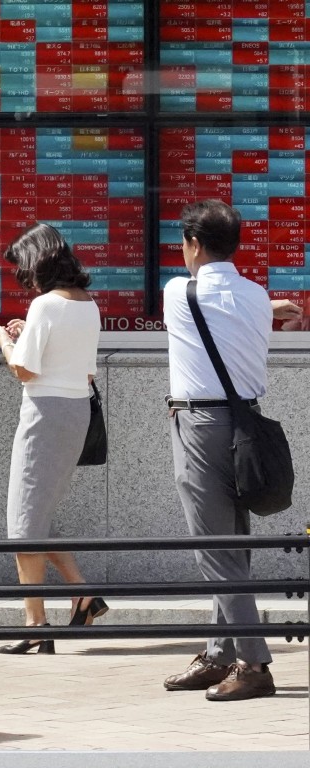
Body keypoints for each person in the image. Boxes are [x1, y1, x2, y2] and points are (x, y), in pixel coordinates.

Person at [162, 200, 301, 701]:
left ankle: (254, 663)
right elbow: (238, 314)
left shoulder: (177, 292)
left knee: (216, 548)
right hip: (246, 423)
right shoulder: (256, 295)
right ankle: (220, 652)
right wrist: (273, 308)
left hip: (200, 424)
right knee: (233, 541)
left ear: (194, 245)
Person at [0, 222, 108, 654]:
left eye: (24, 268)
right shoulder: (87, 304)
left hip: (44, 414)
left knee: (24, 525)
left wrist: (3, 338)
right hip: (73, 412)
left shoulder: (45, 306)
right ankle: (83, 594)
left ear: (39, 261)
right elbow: (81, 367)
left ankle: (36, 624)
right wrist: (26, 338)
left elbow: (24, 370)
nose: (24, 277)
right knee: (34, 516)